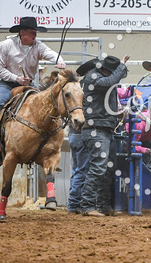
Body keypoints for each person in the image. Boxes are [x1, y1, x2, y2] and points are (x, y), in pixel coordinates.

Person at [0, 16, 66, 167]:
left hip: (29, 86)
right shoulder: (5, 46)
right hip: (7, 85)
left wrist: (59, 60)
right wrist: (15, 78)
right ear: (22, 33)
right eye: (32, 32)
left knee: (45, 108)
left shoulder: (38, 46)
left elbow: (51, 53)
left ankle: (40, 146)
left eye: (35, 32)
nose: (35, 35)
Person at [80, 55, 129, 217]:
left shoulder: (99, 78)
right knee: (98, 167)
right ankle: (87, 205)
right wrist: (121, 66)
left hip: (103, 129)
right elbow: (110, 83)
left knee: (106, 168)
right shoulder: (95, 78)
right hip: (96, 129)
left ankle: (102, 205)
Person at [65, 58, 99, 215]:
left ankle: (73, 202)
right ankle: (74, 204)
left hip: (74, 134)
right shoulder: (86, 89)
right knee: (82, 169)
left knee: (77, 169)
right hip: (80, 133)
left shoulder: (77, 88)